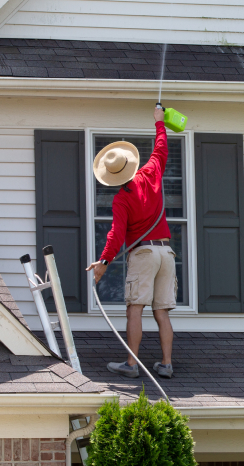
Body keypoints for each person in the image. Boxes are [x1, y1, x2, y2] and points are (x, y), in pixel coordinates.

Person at [86, 104, 176, 379]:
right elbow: (161, 149)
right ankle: (166, 364)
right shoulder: (150, 173)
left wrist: (103, 263)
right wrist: (159, 122)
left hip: (144, 254)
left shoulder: (122, 198)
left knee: (134, 309)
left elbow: (115, 234)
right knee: (162, 312)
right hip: (167, 252)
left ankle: (132, 364)